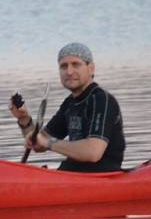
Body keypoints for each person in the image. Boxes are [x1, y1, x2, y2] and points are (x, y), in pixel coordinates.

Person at [9, 43, 125, 172]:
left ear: (91, 68)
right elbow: (39, 145)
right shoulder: (70, 103)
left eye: (76, 64)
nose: (69, 71)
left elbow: (93, 153)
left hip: (100, 177)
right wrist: (24, 119)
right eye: (64, 66)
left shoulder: (102, 100)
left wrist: (49, 143)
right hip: (72, 175)